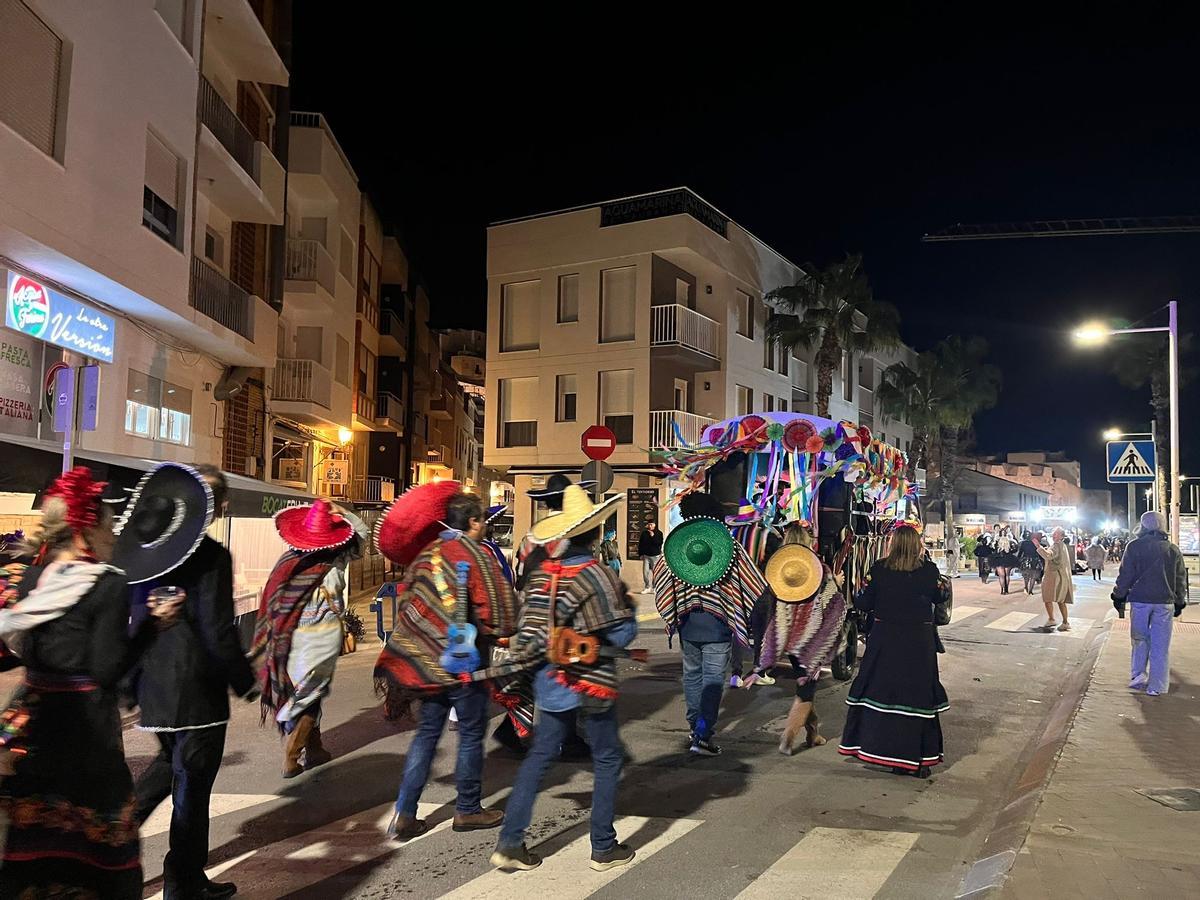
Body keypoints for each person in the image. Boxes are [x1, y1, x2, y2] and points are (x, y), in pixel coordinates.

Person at [0, 468, 174, 897]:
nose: (113, 535)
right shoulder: (107, 584)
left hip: (34, 726)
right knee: (102, 850)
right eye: (108, 525)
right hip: (87, 738)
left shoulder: (30, 579)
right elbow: (106, 671)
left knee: (36, 846)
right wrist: (150, 627)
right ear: (83, 530)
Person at [483, 485, 638, 873]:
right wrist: (630, 612)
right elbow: (621, 635)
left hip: (551, 679)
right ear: (596, 531)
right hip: (591, 680)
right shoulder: (597, 574)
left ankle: (510, 842)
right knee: (607, 757)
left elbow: (530, 629)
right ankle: (603, 846)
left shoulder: (543, 573)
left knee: (540, 756)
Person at [126, 463, 256, 900]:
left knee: (168, 769)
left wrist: (130, 683)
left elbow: (135, 619)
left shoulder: (149, 552)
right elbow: (218, 630)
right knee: (192, 789)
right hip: (198, 695)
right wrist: (244, 679)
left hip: (156, 689)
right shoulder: (211, 556)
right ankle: (183, 881)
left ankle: (113, 834)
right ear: (214, 505)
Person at [375, 491, 518, 841]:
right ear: (473, 521)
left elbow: (410, 601)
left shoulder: (428, 554)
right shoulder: (477, 554)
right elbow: (499, 612)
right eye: (482, 520)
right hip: (463, 664)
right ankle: (467, 808)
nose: (485, 526)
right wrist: (501, 629)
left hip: (426, 663)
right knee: (470, 734)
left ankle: (405, 813)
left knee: (426, 735)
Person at [251, 499, 365, 777]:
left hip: (287, 636)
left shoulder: (287, 561)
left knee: (301, 691)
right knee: (310, 694)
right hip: (320, 637)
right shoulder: (335, 561)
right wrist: (344, 513)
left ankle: (315, 748)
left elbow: (273, 601)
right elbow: (362, 535)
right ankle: (292, 756)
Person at [653, 491, 765, 757]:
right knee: (713, 680)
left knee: (692, 676)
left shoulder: (677, 545)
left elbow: (660, 580)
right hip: (718, 625)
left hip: (688, 624)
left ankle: (695, 726)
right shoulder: (729, 545)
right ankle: (703, 735)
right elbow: (754, 584)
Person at [838, 524, 948, 778]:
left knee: (883, 693)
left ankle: (885, 752)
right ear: (917, 545)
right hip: (919, 643)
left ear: (893, 544)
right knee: (917, 695)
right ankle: (917, 759)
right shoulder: (929, 570)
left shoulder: (879, 569)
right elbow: (941, 595)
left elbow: (863, 600)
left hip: (885, 640)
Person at [759, 522, 847, 755]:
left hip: (790, 638)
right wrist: (837, 584)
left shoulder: (778, 571)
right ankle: (788, 738)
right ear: (808, 542)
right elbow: (833, 602)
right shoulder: (819, 570)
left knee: (807, 684)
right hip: (812, 642)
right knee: (805, 691)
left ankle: (813, 734)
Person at [1112, 511, 1188, 696]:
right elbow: (1180, 579)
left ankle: (1138, 675)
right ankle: (1157, 686)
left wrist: (1118, 596)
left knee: (1139, 639)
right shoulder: (1172, 549)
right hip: (1164, 602)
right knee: (1161, 645)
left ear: (1143, 525)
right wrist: (1179, 602)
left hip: (1140, 601)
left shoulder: (1134, 547)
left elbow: (1125, 575)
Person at [1035, 527, 1075, 631]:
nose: (1053, 535)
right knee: (1060, 600)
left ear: (1061, 536)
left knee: (1048, 597)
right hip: (1060, 576)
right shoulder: (1062, 545)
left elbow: (1048, 555)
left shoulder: (1057, 545)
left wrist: (1039, 547)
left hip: (1054, 577)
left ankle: (1054, 619)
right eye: (1053, 533)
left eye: (1056, 534)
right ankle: (1063, 621)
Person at [989, 525, 1018, 594]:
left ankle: (1002, 590)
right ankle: (1006, 590)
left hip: (998, 559)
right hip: (1008, 558)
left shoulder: (996, 541)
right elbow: (1015, 549)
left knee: (1001, 576)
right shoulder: (1010, 541)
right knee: (1007, 575)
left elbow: (993, 549)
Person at [638, 519, 663, 594]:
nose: (650, 526)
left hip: (655, 556)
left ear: (655, 525)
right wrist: (640, 554)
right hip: (646, 556)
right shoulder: (644, 533)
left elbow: (659, 543)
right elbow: (640, 544)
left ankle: (654, 587)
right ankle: (647, 587)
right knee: (645, 572)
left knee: (655, 573)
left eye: (651, 524)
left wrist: (653, 536)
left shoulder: (659, 533)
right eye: (649, 524)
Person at [1017, 530, 1045, 595]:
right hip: (1035, 560)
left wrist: (1018, 560)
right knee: (1033, 577)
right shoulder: (1036, 542)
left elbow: (1020, 552)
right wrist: (1042, 560)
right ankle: (1030, 591)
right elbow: (1039, 552)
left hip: (1026, 560)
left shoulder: (1023, 543)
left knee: (1026, 576)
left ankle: (1026, 587)